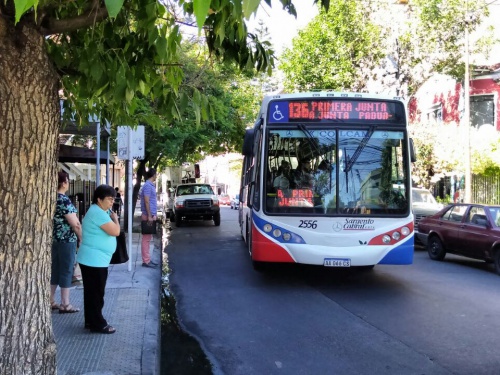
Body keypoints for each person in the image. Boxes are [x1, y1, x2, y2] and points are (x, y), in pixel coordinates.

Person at [77, 184, 120, 334]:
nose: (111, 202)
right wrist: (116, 219)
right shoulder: (98, 213)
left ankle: (91, 321)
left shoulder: (99, 211)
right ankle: (98, 324)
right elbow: (115, 231)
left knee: (91, 292)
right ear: (99, 199)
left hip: (93, 259)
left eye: (113, 199)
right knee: (96, 293)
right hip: (94, 261)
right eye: (109, 199)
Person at [50, 171, 82, 313]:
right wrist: (82, 238)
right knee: (67, 269)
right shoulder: (64, 200)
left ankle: (50, 300)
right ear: (63, 183)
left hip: (54, 239)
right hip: (67, 240)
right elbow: (75, 223)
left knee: (55, 270)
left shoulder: (51, 198)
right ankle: (65, 304)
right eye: (68, 180)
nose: (68, 183)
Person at [139, 168, 158, 268]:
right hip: (148, 215)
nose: (156, 176)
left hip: (150, 214)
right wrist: (150, 215)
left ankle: (147, 259)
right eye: (156, 174)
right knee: (146, 238)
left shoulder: (150, 185)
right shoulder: (147, 186)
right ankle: (146, 261)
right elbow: (147, 201)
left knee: (148, 238)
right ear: (153, 175)